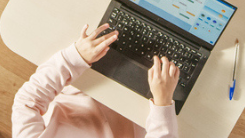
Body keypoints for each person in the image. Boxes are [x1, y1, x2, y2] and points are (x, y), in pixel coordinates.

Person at [12, 24, 179, 138]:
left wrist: (74, 57)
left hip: (86, 81)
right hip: (138, 110)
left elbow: (26, 102)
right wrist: (162, 103)